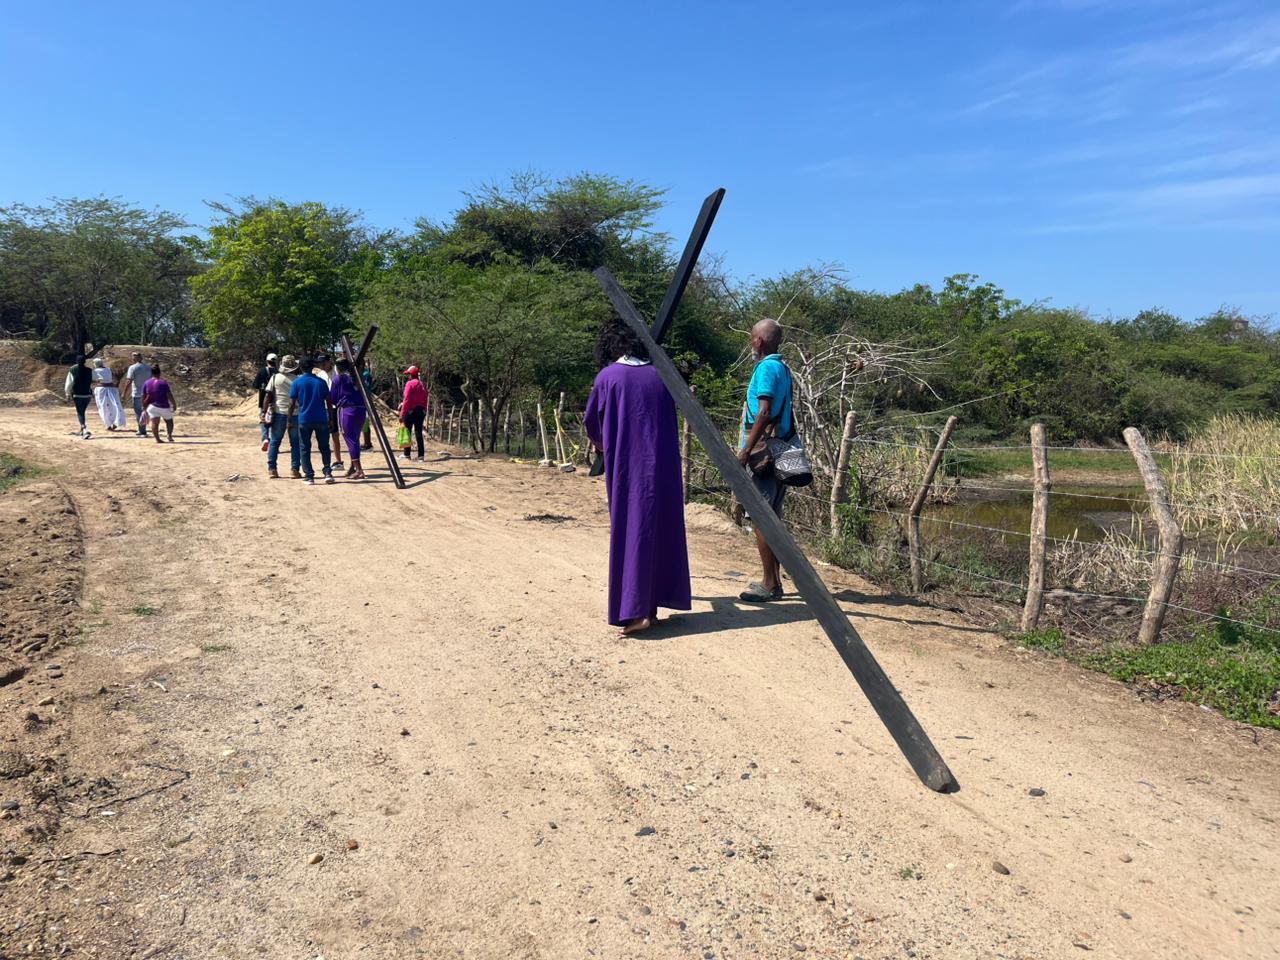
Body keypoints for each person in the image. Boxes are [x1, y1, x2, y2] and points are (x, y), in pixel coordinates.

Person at [584, 318, 691, 636]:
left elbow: (594, 425)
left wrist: (603, 445)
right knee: (661, 529)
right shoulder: (662, 375)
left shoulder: (608, 377)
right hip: (665, 468)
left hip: (629, 469)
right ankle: (654, 605)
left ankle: (636, 611)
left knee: (633, 531)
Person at [736, 319, 795, 603]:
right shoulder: (784, 368)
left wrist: (746, 450)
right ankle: (774, 581)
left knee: (760, 516)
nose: (751, 343)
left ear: (759, 341)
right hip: (781, 448)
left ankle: (770, 583)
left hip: (763, 453)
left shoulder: (767, 368)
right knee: (772, 517)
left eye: (752, 338)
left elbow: (763, 412)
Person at [288, 357, 335, 485]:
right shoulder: (321, 382)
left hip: (304, 419)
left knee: (304, 447)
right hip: (321, 418)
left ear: (301, 368)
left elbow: (292, 404)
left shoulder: (297, 383)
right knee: (324, 447)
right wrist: (331, 419)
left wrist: (289, 420)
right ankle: (327, 472)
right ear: (312, 367)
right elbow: (329, 402)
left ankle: (309, 476)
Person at [262, 355, 301, 479]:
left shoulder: (275, 378)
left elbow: (267, 396)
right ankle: (294, 470)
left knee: (275, 441)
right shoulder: (297, 380)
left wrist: (263, 412)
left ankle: (272, 469)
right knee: (295, 443)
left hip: (279, 413)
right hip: (295, 414)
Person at [329, 359, 367, 480]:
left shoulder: (338, 379)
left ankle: (359, 469)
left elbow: (333, 399)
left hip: (347, 411)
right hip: (361, 410)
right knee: (355, 439)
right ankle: (352, 467)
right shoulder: (358, 378)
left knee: (350, 439)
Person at [315, 353, 345, 472]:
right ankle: (335, 461)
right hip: (326, 407)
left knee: (337, 434)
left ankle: (339, 461)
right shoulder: (321, 375)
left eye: (324, 363)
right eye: (320, 363)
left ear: (329, 362)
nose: (322, 365)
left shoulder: (338, 371)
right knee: (331, 434)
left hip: (338, 406)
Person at [142, 363, 178, 443]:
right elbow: (169, 395)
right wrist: (174, 404)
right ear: (159, 373)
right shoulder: (163, 383)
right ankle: (169, 435)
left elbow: (143, 395)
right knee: (169, 421)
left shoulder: (146, 383)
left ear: (151, 373)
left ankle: (157, 439)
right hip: (164, 406)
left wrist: (144, 406)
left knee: (155, 423)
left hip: (152, 406)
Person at [399, 365, 428, 461]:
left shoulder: (409, 384)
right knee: (418, 432)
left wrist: (402, 413)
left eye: (409, 374)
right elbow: (425, 398)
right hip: (421, 411)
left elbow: (406, 399)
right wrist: (424, 409)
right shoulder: (422, 384)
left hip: (410, 411)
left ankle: (407, 454)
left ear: (411, 375)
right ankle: (421, 456)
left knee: (407, 431)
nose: (408, 376)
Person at [90, 358, 128, 431]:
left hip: (102, 390)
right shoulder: (108, 369)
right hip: (112, 389)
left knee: (103, 407)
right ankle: (115, 422)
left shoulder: (95, 371)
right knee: (114, 406)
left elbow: (93, 378)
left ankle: (108, 424)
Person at [63, 355, 94, 438]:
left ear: (76, 362)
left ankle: (84, 429)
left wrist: (67, 394)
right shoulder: (89, 370)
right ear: (85, 362)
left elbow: (69, 383)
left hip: (77, 394)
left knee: (80, 412)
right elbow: (95, 379)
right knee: (82, 412)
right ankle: (81, 430)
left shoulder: (73, 370)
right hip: (87, 395)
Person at [122, 352, 152, 436]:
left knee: (139, 412)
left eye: (133, 357)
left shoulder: (132, 368)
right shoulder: (148, 367)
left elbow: (129, 381)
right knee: (145, 411)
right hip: (148, 393)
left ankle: (142, 431)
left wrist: (124, 392)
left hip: (137, 393)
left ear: (134, 358)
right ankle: (142, 429)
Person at [253, 353, 278, 451]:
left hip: (264, 400)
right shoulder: (278, 372)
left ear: (267, 361)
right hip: (276, 401)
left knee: (264, 420)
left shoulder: (262, 371)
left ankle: (265, 438)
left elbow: (256, 385)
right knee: (275, 423)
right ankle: (274, 444)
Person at [360, 365, 375, 450]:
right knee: (363, 423)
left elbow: (366, 386)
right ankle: (366, 442)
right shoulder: (361, 373)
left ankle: (368, 444)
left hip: (365, 402)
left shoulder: (366, 374)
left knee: (365, 423)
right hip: (361, 401)